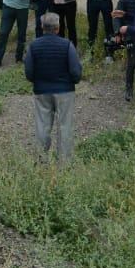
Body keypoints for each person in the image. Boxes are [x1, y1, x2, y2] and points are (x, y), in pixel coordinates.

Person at [23, 12, 83, 162]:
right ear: (58, 27)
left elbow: (29, 72)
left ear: (42, 27)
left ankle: (41, 159)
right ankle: (64, 162)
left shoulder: (33, 46)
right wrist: (72, 81)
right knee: (65, 125)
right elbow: (75, 71)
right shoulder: (67, 45)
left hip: (42, 91)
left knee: (42, 126)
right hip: (65, 91)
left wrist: (37, 81)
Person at [112, 0, 135, 102]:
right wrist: (117, 33)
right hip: (129, 33)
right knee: (132, 62)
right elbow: (117, 16)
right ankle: (129, 89)